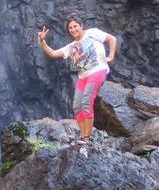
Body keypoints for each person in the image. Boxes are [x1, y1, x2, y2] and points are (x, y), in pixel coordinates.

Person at [37, 14, 117, 144]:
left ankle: (87, 138)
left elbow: (112, 38)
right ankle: (83, 136)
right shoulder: (72, 46)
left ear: (81, 26)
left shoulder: (92, 33)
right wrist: (42, 42)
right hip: (83, 76)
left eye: (75, 26)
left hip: (97, 70)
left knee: (86, 102)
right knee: (76, 106)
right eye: (70, 28)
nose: (73, 29)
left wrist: (111, 56)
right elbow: (52, 53)